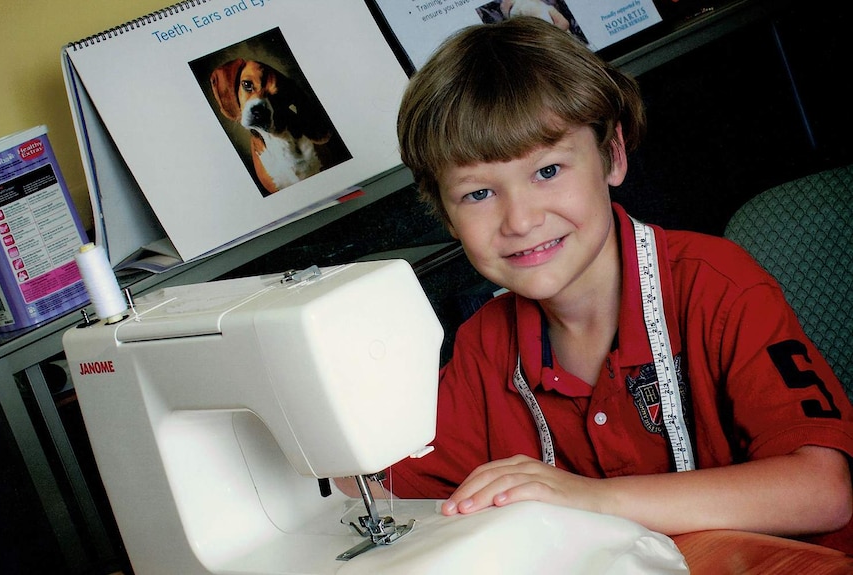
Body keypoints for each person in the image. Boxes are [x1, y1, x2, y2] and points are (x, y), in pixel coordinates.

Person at [343, 16, 853, 552]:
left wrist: (585, 497)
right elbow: (384, 491)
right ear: (446, 217)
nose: (519, 220)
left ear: (612, 156)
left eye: (548, 171)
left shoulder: (717, 287)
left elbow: (823, 490)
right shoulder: (486, 346)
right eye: (477, 194)